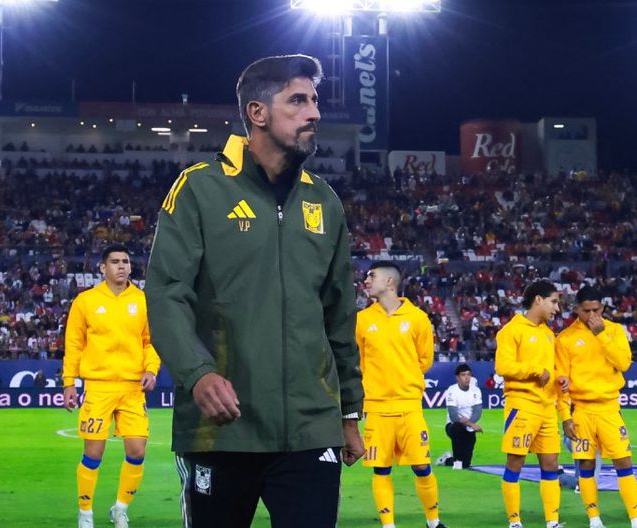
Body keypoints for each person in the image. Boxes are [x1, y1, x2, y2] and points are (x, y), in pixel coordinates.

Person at [145, 54, 364, 528]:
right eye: (298, 101)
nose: (314, 113)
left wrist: (349, 411)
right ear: (257, 113)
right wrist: (198, 373)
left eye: (315, 101)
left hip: (311, 430)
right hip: (221, 429)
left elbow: (339, 315)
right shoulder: (199, 189)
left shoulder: (324, 200)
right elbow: (166, 293)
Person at [63, 243, 160, 528]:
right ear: (102, 267)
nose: (121, 266)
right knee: (93, 453)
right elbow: (74, 344)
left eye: (125, 262)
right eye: (115, 261)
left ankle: (120, 509)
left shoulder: (142, 300)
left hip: (133, 388)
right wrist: (69, 383)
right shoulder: (85, 301)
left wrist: (151, 369)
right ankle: (85, 513)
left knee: (137, 451)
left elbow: (150, 341)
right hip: (98, 387)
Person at [356, 261, 447, 528]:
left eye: (371, 276)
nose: (366, 281)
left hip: (409, 407)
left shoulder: (418, 318)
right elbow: (358, 360)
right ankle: (388, 525)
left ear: (389, 282)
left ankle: (433, 522)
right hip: (376, 408)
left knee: (422, 466)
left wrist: (403, 378)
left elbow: (425, 360)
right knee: (381, 468)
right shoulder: (362, 320)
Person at [555, 285, 637, 528]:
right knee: (586, 465)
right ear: (576, 309)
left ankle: (634, 517)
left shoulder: (615, 330)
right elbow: (561, 381)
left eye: (596, 310)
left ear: (602, 307)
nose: (591, 315)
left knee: (623, 462)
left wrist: (601, 335)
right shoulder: (565, 338)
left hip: (609, 408)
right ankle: (594, 518)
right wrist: (565, 417)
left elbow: (623, 363)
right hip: (582, 410)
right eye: (586, 310)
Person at [495, 280, 568, 528]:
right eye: (554, 302)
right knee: (515, 462)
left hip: (547, 407)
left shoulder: (548, 334)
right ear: (538, 300)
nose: (557, 308)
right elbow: (503, 366)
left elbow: (551, 368)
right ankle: (514, 521)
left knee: (551, 464)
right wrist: (535, 370)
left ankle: (552, 521)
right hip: (522, 405)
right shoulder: (511, 331)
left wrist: (559, 377)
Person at [439, 363, 483, 469]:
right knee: (458, 428)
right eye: (463, 375)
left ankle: (447, 459)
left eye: (469, 374)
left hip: (469, 426)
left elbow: (477, 411)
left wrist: (469, 425)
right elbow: (453, 416)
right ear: (457, 377)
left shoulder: (476, 390)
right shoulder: (452, 390)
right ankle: (457, 463)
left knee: (466, 464)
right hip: (453, 425)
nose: (467, 377)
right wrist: (471, 424)